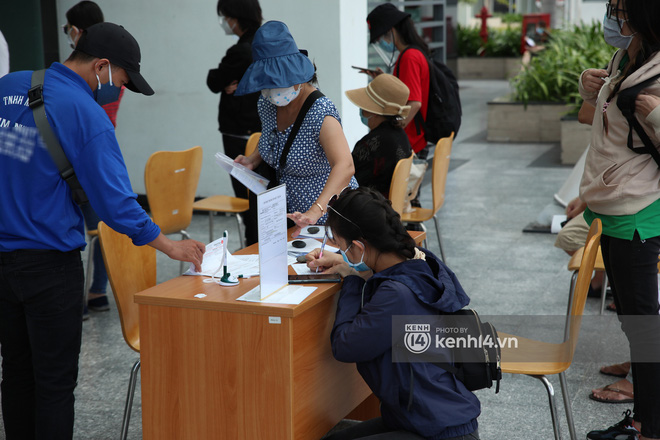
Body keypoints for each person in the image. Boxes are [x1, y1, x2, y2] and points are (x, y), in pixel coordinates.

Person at [0, 23, 205, 439]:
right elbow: (116, 204)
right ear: (102, 67)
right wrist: (168, 246)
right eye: (123, 82)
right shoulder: (87, 115)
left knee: (16, 373)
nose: (120, 92)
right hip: (48, 268)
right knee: (55, 385)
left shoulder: (7, 86)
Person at [306, 187, 480, 440]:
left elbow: (345, 346)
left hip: (438, 430)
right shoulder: (420, 262)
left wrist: (353, 281)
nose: (341, 252)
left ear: (358, 246)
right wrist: (352, 268)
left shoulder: (397, 294)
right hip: (423, 417)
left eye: (341, 246)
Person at [579, 1, 660, 438]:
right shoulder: (625, 56)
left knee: (645, 325)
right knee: (632, 319)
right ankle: (643, 419)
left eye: (625, 10)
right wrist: (591, 88)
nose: (617, 17)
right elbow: (605, 122)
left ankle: (650, 426)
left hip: (638, 209)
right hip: (611, 205)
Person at [234, 21, 357, 236]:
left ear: (297, 76)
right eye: (266, 83)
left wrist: (315, 211)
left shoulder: (320, 112)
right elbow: (273, 139)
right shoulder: (267, 103)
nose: (271, 90)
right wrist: (253, 160)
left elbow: (345, 166)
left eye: (277, 82)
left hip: (327, 217)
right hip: (286, 213)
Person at [64, 0, 126, 315]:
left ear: (78, 32)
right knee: (101, 229)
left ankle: (81, 295)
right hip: (98, 157)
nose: (68, 36)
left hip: (78, 163)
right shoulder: (114, 74)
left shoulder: (89, 78)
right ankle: (97, 292)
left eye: (68, 30)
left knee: (84, 231)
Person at [207, 0, 262, 245]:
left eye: (225, 16)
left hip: (240, 133)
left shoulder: (241, 51)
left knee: (247, 198)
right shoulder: (261, 44)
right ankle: (257, 244)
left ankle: (252, 246)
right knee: (260, 196)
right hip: (259, 130)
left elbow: (214, 81)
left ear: (235, 18)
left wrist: (228, 81)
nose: (224, 22)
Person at [365, 4, 430, 161]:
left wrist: (393, 132)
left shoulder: (409, 57)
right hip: (415, 141)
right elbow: (405, 91)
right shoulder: (413, 53)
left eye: (381, 37)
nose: (381, 42)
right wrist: (384, 80)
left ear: (391, 31)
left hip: (410, 143)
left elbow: (414, 103)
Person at [345, 73, 412, 197]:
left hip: (371, 209)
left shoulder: (371, 144)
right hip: (390, 207)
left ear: (373, 111)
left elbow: (346, 179)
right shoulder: (400, 134)